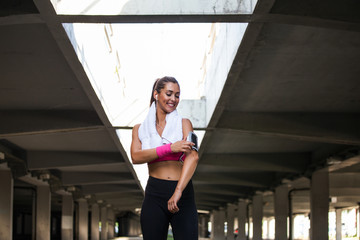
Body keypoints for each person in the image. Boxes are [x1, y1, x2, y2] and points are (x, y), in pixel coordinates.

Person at [131, 76, 199, 240]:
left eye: (177, 95)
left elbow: (193, 157)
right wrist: (170, 148)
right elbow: (136, 156)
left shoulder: (184, 124)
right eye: (169, 94)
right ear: (156, 94)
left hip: (182, 191)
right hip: (155, 192)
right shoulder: (140, 129)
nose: (173, 99)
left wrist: (178, 191)